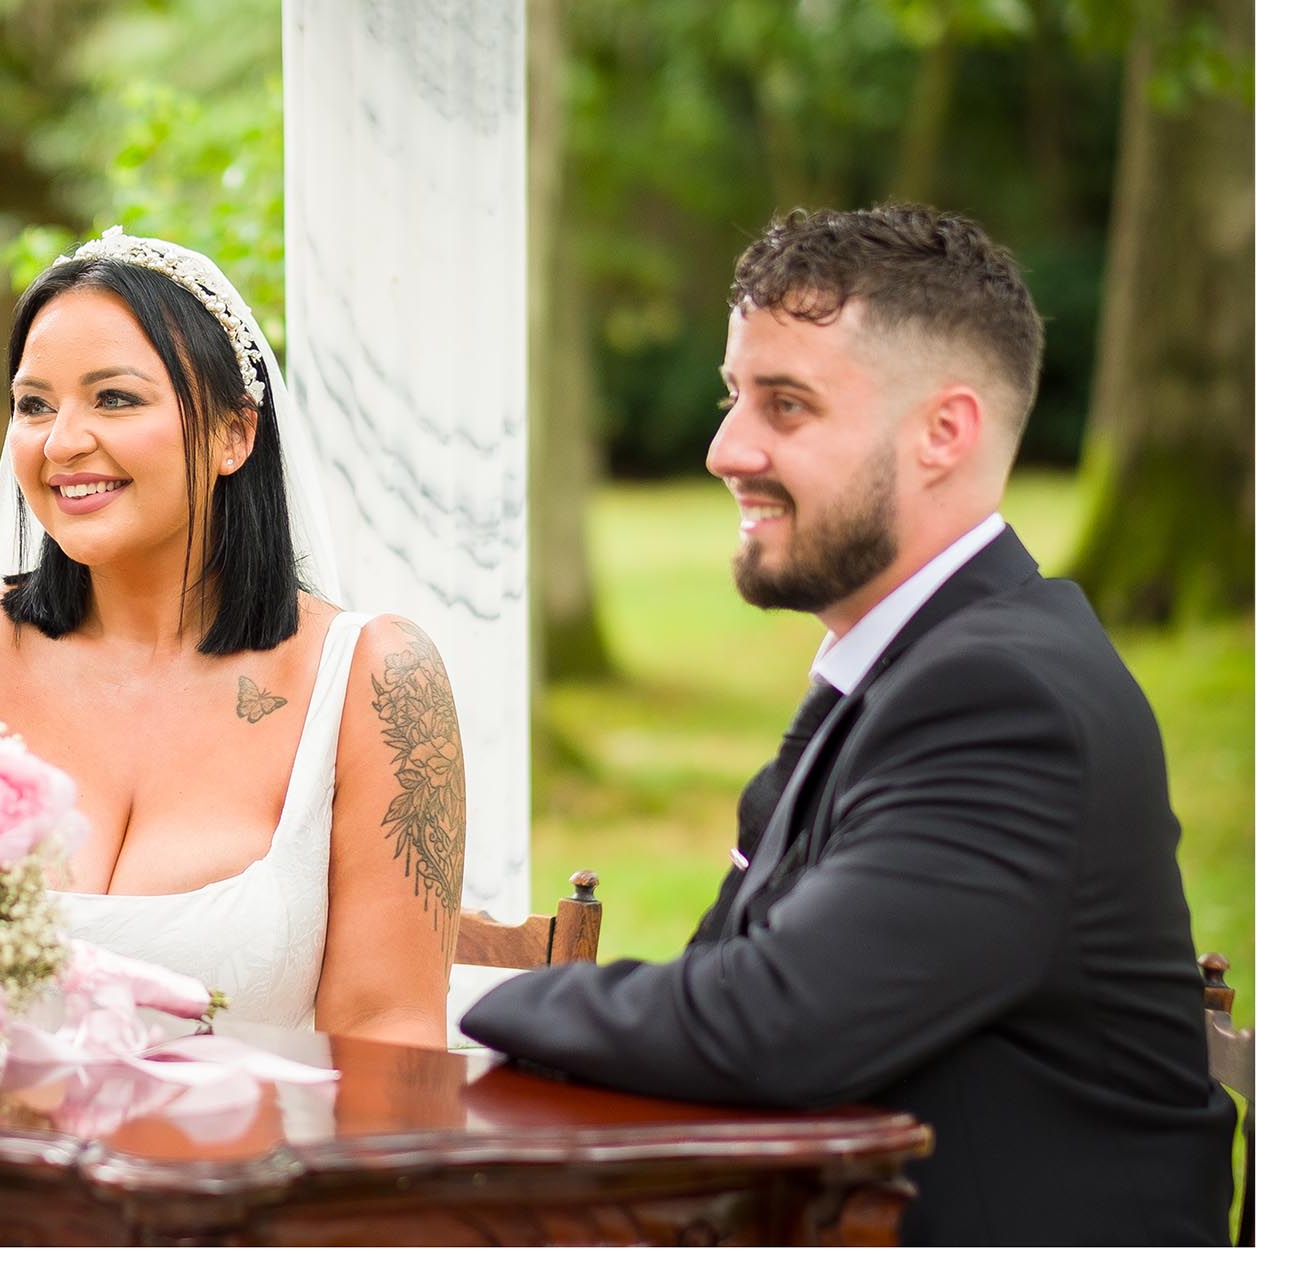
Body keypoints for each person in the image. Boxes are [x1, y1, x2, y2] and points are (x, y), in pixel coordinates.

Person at [461, 204, 1235, 1244]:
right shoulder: (923, 664)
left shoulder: (1007, 700)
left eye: (787, 405)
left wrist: (468, 999)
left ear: (942, 433)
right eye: (733, 396)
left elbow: (766, 1022)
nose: (725, 448)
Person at [0, 229, 465, 1047]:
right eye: (34, 405)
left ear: (236, 434)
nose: (61, 443)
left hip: (244, 1168)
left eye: (115, 398)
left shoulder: (374, 678)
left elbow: (387, 1038)